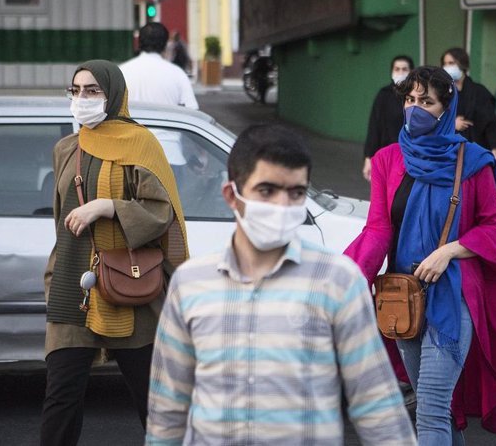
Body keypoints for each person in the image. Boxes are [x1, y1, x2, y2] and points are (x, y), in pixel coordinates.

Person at [344, 66, 496, 445]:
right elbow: (378, 230)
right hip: (402, 299)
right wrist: (347, 278)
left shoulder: (473, 160)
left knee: (430, 410)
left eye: (426, 102)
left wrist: (448, 251)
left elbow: (494, 228)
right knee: (443, 412)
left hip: (454, 298)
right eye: (409, 100)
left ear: (446, 109)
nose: (415, 108)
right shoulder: (388, 160)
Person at [145, 125, 416, 445]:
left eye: (296, 193)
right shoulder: (190, 284)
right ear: (232, 195)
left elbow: (378, 409)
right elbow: (168, 411)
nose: (283, 205)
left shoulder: (338, 282)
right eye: (266, 191)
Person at [41, 59, 190, 446]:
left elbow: (162, 212)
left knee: (154, 403)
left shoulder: (140, 145)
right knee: (60, 401)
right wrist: (52, 279)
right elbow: (61, 224)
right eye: (75, 91)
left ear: (115, 95)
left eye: (93, 91)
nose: (82, 99)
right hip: (74, 288)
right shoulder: (66, 149)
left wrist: (108, 207)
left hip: (131, 287)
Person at [441, 47, 496, 174]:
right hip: (449, 154)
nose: (447, 67)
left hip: (477, 150)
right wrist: (452, 124)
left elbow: (490, 123)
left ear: (462, 64)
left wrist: (495, 149)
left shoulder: (479, 92)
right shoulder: (442, 94)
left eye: (451, 63)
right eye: (445, 64)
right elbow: (433, 120)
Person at [120, 22, 198, 109]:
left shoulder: (121, 72)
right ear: (165, 45)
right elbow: (192, 109)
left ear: (139, 43)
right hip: (167, 122)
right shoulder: (178, 74)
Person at [362, 55, 414, 182]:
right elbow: (374, 127)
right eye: (397, 69)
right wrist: (369, 157)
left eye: (404, 69)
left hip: (412, 156)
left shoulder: (417, 96)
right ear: (392, 72)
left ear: (411, 72)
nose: (401, 73)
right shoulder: (384, 95)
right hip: (387, 155)